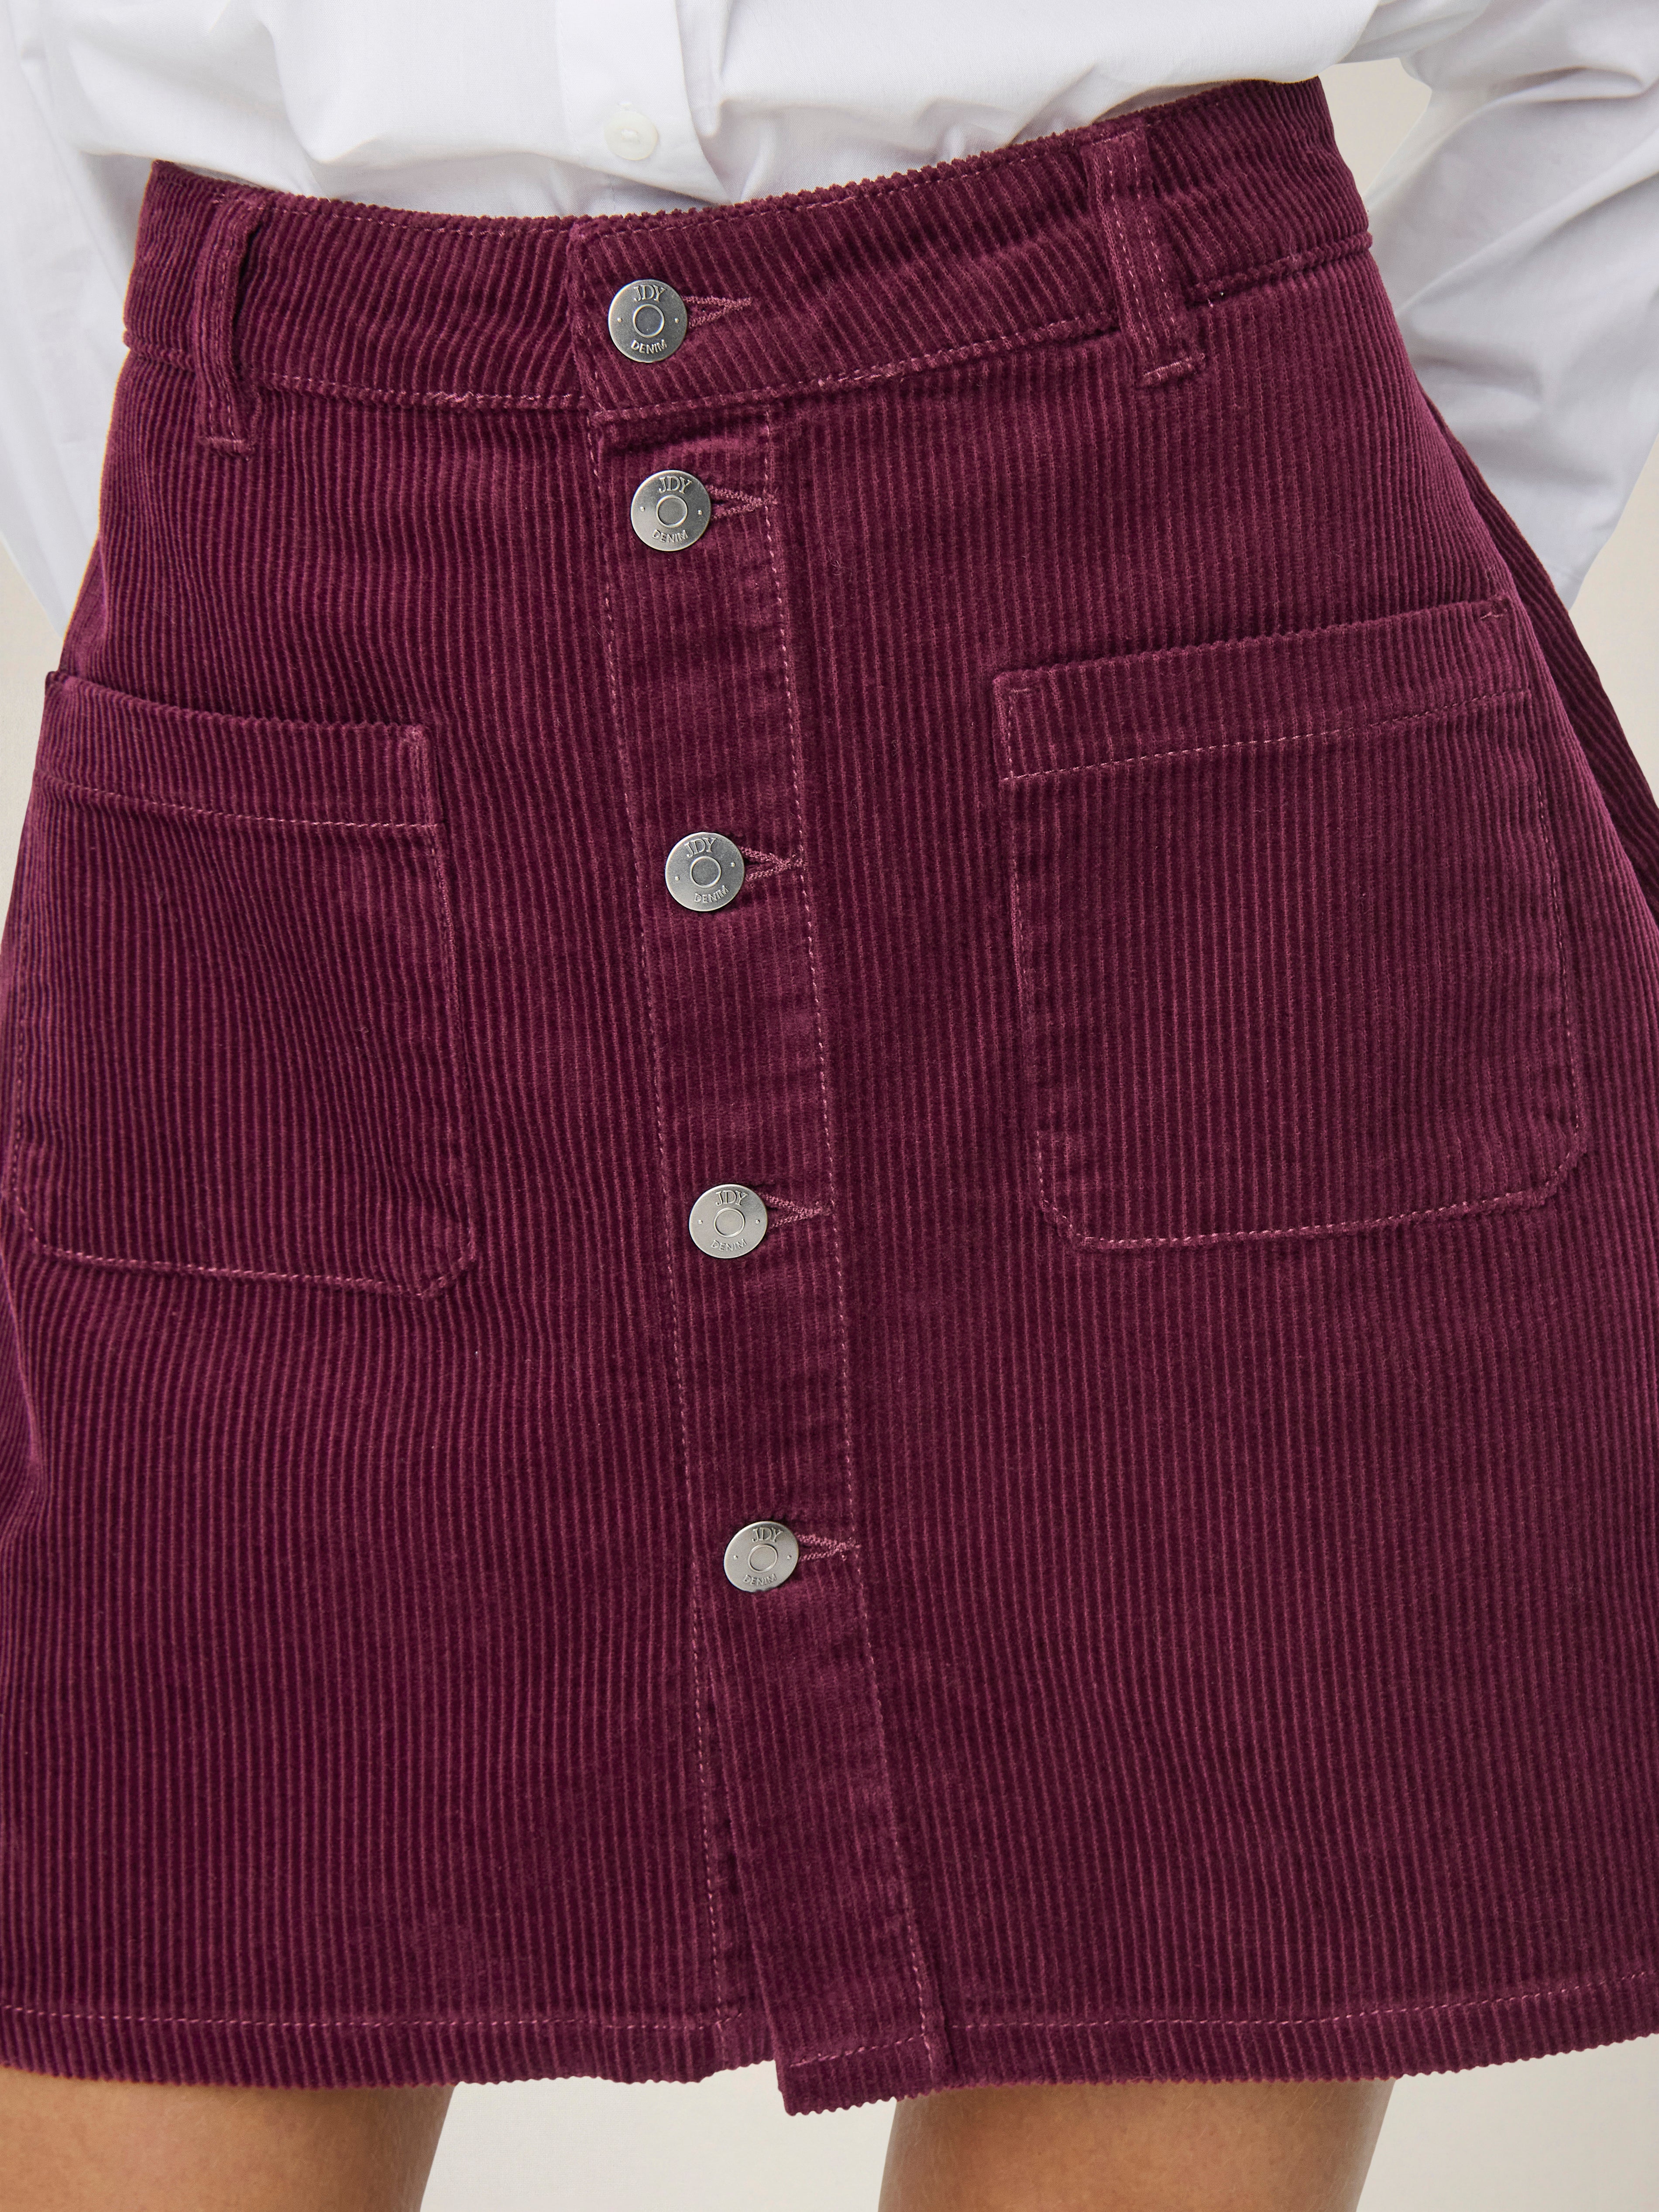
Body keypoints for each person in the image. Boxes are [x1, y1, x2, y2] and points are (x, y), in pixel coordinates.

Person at [0, 6, 1654, 2210]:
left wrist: (1370, 568)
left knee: (1179, 1927)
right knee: (153, 1914)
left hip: (1179, 684)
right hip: (300, 695)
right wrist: (161, 583)